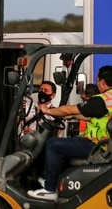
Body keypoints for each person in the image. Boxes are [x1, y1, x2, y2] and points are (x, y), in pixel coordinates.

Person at [27, 65, 112, 201]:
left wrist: (48, 111)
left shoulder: (101, 99)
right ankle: (54, 180)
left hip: (97, 147)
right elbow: (93, 116)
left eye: (98, 81)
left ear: (102, 82)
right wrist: (73, 116)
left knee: (53, 144)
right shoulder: (109, 100)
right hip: (104, 146)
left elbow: (69, 109)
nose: (98, 84)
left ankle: (49, 189)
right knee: (64, 146)